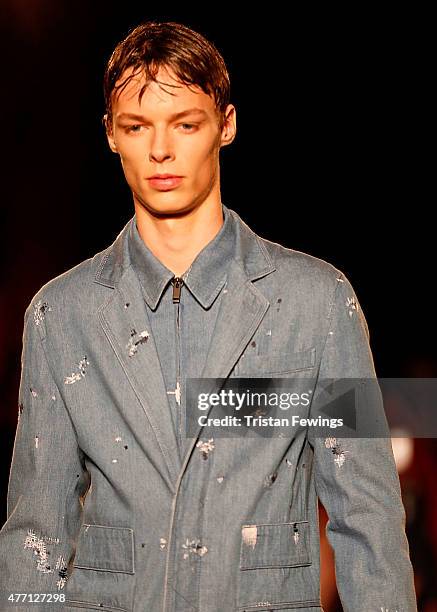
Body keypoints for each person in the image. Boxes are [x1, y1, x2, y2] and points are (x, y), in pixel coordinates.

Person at [0, 20, 417, 612]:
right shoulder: (61, 316)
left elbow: (367, 519)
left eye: (186, 124)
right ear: (110, 136)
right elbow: (35, 536)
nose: (160, 150)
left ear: (226, 125)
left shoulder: (318, 304)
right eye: (137, 126)